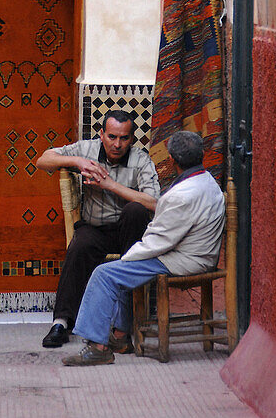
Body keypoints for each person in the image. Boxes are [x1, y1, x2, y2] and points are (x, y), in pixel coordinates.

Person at [62, 129, 225, 365]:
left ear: (172, 161)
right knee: (119, 271)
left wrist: (128, 257)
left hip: (183, 260)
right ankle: (119, 335)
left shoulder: (181, 195)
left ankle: (98, 347)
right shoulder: (208, 181)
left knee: (105, 274)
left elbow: (158, 242)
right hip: (198, 255)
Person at [36, 111, 160, 348]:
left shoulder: (140, 160)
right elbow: (43, 160)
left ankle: (124, 324)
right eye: (112, 136)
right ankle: (61, 323)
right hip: (96, 229)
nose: (117, 144)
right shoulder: (87, 149)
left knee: (136, 211)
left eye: (124, 138)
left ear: (131, 139)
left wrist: (110, 185)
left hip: (129, 234)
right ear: (101, 134)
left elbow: (154, 203)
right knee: (80, 245)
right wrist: (77, 161)